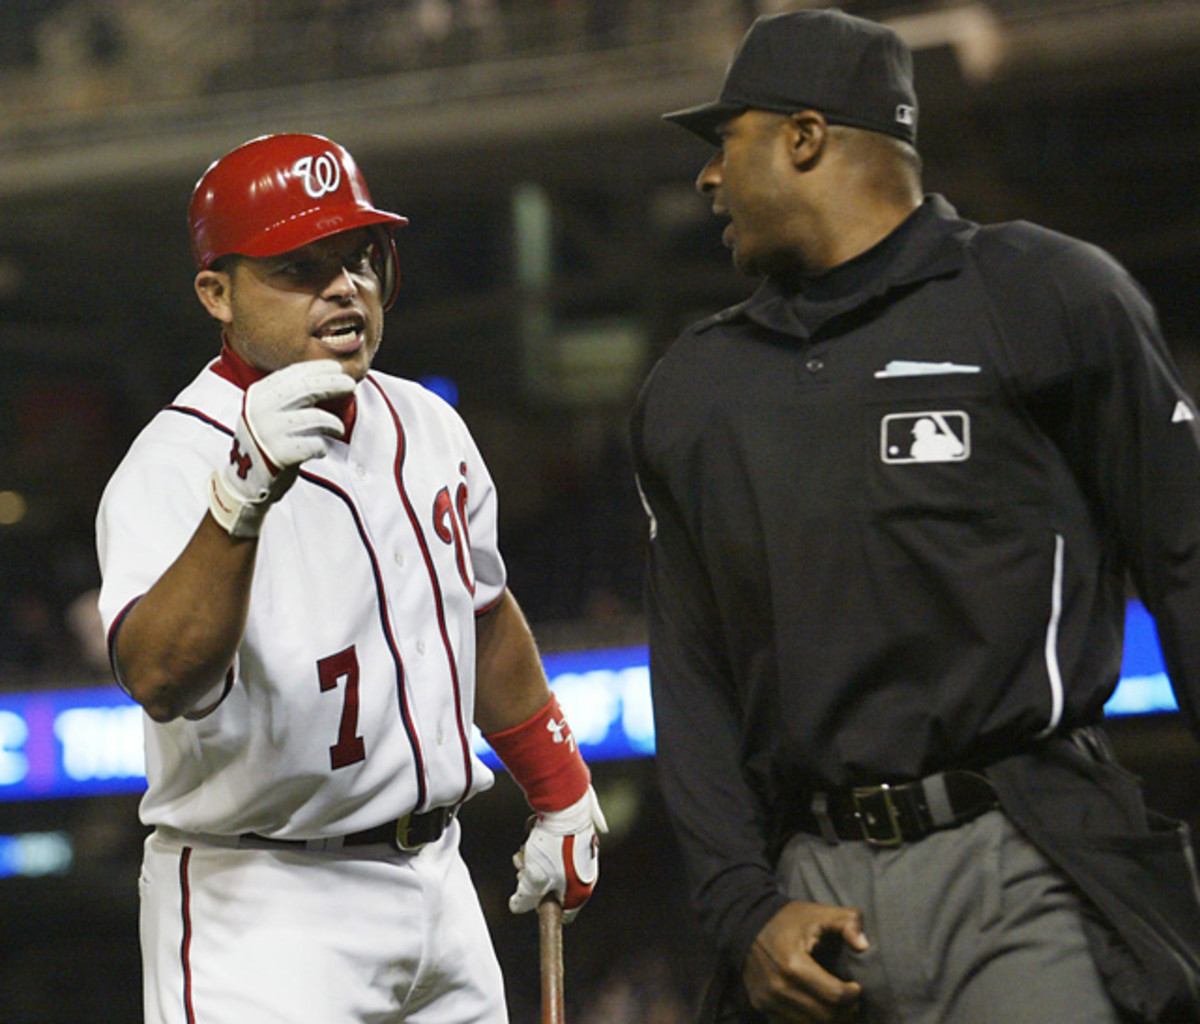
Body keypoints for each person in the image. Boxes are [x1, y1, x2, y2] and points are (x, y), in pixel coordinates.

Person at [631, 10, 1200, 1024]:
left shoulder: (1043, 294)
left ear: (805, 136)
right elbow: (691, 675)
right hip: (809, 887)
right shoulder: (697, 388)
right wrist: (743, 908)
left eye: (725, 140)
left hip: (1022, 856)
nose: (709, 178)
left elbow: (1187, 555)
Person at [95, 132, 607, 1024]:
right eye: (299, 267)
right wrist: (238, 500)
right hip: (262, 901)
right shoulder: (172, 461)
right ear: (217, 292)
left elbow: (478, 615)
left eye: (360, 258)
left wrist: (559, 783)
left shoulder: (426, 423)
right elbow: (160, 677)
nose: (344, 288)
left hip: (439, 879)